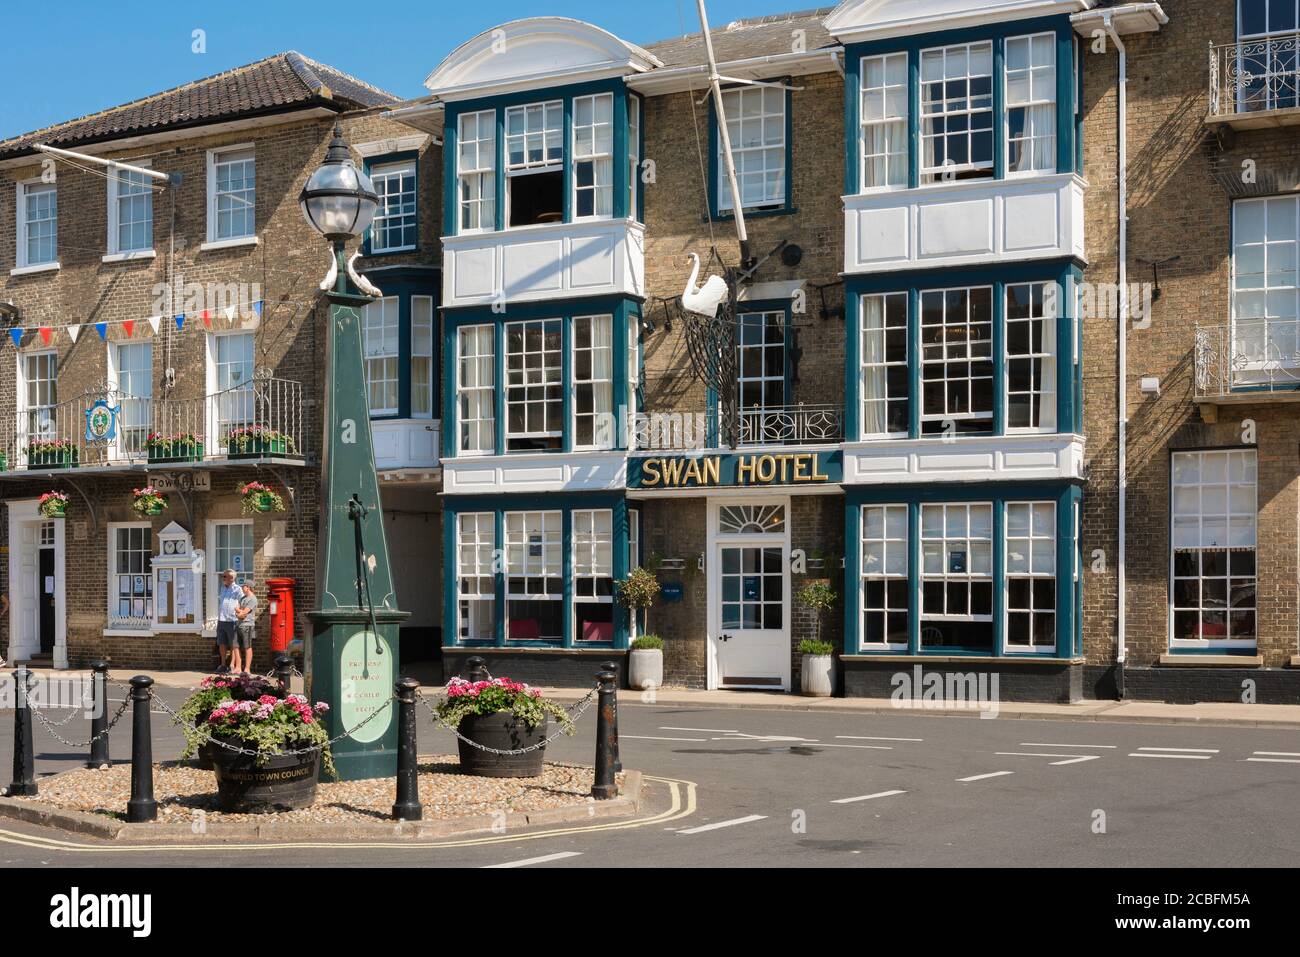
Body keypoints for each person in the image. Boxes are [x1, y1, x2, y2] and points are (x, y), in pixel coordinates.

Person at [216, 569, 242, 673]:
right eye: (223, 576)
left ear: (231, 578)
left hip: (232, 619)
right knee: (221, 643)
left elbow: (242, 602)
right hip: (221, 619)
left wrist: (239, 612)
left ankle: (232, 665)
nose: (222, 578)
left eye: (224, 576)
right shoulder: (222, 588)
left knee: (233, 644)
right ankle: (223, 664)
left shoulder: (237, 589)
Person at [231, 581, 258, 674]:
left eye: (244, 586)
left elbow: (244, 612)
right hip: (238, 624)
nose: (242, 587)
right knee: (235, 646)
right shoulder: (242, 598)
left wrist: (239, 612)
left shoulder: (253, 599)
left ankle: (247, 669)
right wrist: (239, 612)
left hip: (247, 625)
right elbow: (237, 611)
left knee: (247, 647)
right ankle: (238, 667)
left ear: (248, 587)